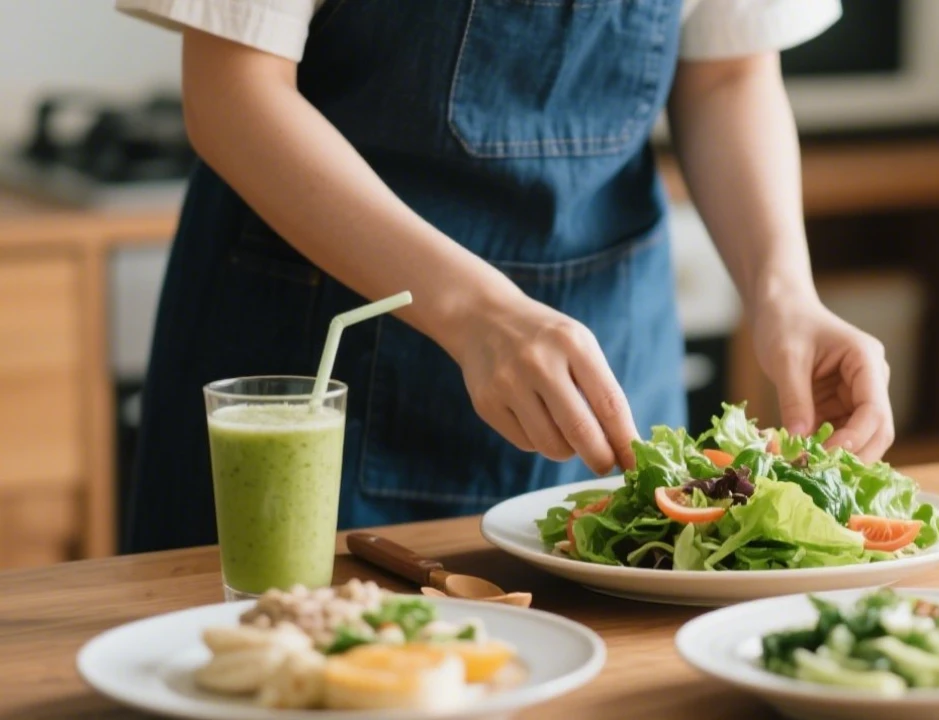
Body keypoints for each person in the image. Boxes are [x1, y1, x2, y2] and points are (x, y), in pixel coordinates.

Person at [117, 0, 895, 554]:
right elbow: (232, 94)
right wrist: (476, 312)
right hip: (321, 352)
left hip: (615, 336)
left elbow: (728, 71)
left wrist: (784, 294)